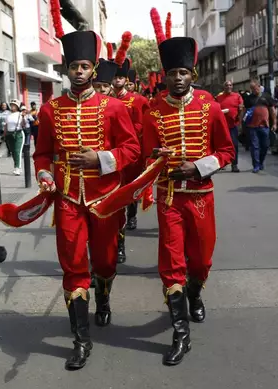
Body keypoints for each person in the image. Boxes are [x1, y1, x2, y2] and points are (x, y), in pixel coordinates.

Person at [34, 1, 140, 370]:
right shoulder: (50, 109)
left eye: (84, 66)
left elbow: (131, 148)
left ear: (93, 69)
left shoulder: (114, 108)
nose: (78, 72)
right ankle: (81, 340)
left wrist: (102, 159)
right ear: (65, 69)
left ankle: (105, 296)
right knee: (73, 264)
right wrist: (45, 175)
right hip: (67, 199)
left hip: (105, 199)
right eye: (73, 66)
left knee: (106, 260)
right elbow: (42, 153)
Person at [142, 32, 234, 366]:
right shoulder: (152, 111)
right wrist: (157, 157)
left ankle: (195, 293)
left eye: (183, 73)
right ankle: (181, 334)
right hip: (169, 200)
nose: (177, 79)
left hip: (201, 197)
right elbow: (145, 156)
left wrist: (197, 167)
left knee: (202, 261)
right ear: (164, 76)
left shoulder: (209, 105)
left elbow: (226, 151)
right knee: (172, 265)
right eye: (172, 73)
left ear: (191, 75)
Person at [110, 32, 149, 263]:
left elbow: (142, 127)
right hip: (109, 158)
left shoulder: (138, 101)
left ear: (126, 80)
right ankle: (119, 244)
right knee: (114, 205)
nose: (116, 82)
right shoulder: (105, 100)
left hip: (130, 156)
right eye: (113, 78)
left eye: (119, 79)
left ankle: (132, 215)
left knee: (129, 197)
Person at [244, 77, 277, 173]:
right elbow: (244, 111)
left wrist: (274, 123)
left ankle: (261, 162)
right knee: (255, 146)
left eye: (254, 88)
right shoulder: (248, 98)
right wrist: (241, 123)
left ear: (259, 86)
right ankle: (256, 165)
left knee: (265, 146)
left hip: (264, 126)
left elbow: (272, 111)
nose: (253, 90)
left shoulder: (266, 97)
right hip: (252, 126)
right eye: (251, 88)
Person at [216, 80, 245, 172]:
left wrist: (240, 121)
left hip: (233, 125)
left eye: (230, 85)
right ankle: (222, 163)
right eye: (227, 85)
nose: (228, 86)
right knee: (221, 146)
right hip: (221, 126)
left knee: (234, 145)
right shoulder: (219, 97)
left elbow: (241, 109)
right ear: (223, 87)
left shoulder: (237, 96)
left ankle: (234, 164)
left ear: (232, 86)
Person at [4, 99, 27, 175]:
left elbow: (24, 125)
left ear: (17, 106)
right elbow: (6, 125)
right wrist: (4, 135)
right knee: (13, 152)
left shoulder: (20, 114)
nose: (12, 106)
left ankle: (17, 168)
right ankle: (18, 167)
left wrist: (23, 117)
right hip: (9, 135)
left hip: (18, 134)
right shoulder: (8, 115)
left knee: (17, 151)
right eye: (11, 105)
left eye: (14, 105)